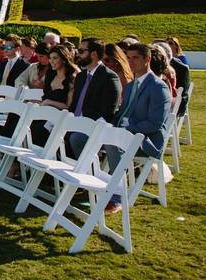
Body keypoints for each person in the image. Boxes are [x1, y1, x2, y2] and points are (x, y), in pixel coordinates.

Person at [102, 42, 173, 215]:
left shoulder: (159, 87)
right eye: (128, 58)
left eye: (135, 58)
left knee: (112, 145)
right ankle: (96, 186)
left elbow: (154, 123)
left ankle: (117, 197)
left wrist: (126, 130)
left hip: (147, 141)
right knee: (84, 137)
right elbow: (123, 113)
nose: (131, 62)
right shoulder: (133, 84)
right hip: (128, 135)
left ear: (147, 59)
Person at [68, 37, 123, 156]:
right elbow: (75, 105)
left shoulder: (109, 78)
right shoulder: (81, 76)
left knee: (73, 138)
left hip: (92, 127)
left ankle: (85, 171)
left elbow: (107, 113)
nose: (78, 54)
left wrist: (84, 126)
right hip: (75, 122)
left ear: (93, 54)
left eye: (81, 51)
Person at [29, 46, 80, 146]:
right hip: (43, 113)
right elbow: (44, 99)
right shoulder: (50, 75)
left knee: (36, 129)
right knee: (17, 117)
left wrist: (49, 102)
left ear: (64, 59)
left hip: (57, 118)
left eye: (55, 58)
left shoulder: (71, 80)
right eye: (50, 58)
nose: (51, 61)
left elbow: (68, 107)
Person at [161, 38, 191, 116]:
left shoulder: (180, 63)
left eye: (170, 43)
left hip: (174, 101)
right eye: (166, 43)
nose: (168, 45)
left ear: (176, 46)